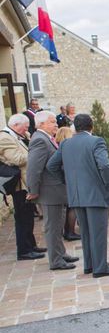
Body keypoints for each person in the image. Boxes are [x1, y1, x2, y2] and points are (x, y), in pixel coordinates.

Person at [47, 114, 109, 277]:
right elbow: (105, 165)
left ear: (75, 127)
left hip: (76, 195)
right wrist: (108, 185)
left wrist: (68, 182)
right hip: (96, 194)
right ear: (91, 126)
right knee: (98, 233)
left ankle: (89, 265)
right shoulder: (96, 141)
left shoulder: (65, 143)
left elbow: (52, 166)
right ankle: (100, 267)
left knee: (86, 233)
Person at [26, 111, 78, 270]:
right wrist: (33, 190)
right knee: (52, 227)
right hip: (49, 192)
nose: (56, 124)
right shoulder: (40, 140)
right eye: (52, 122)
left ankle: (61, 253)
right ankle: (56, 261)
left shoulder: (47, 138)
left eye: (55, 121)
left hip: (56, 191)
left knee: (58, 225)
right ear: (41, 124)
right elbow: (34, 169)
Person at [0, 114, 46, 260]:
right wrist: (36, 152)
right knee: (22, 217)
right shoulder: (5, 138)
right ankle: (24, 250)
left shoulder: (20, 135)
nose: (27, 129)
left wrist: (28, 139)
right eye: (25, 127)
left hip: (26, 182)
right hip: (19, 185)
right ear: (15, 125)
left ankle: (31, 245)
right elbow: (17, 159)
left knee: (28, 216)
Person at [55, 126, 80, 240]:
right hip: (67, 181)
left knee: (69, 207)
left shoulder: (58, 146)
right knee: (72, 207)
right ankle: (70, 232)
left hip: (63, 181)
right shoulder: (64, 148)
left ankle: (69, 231)